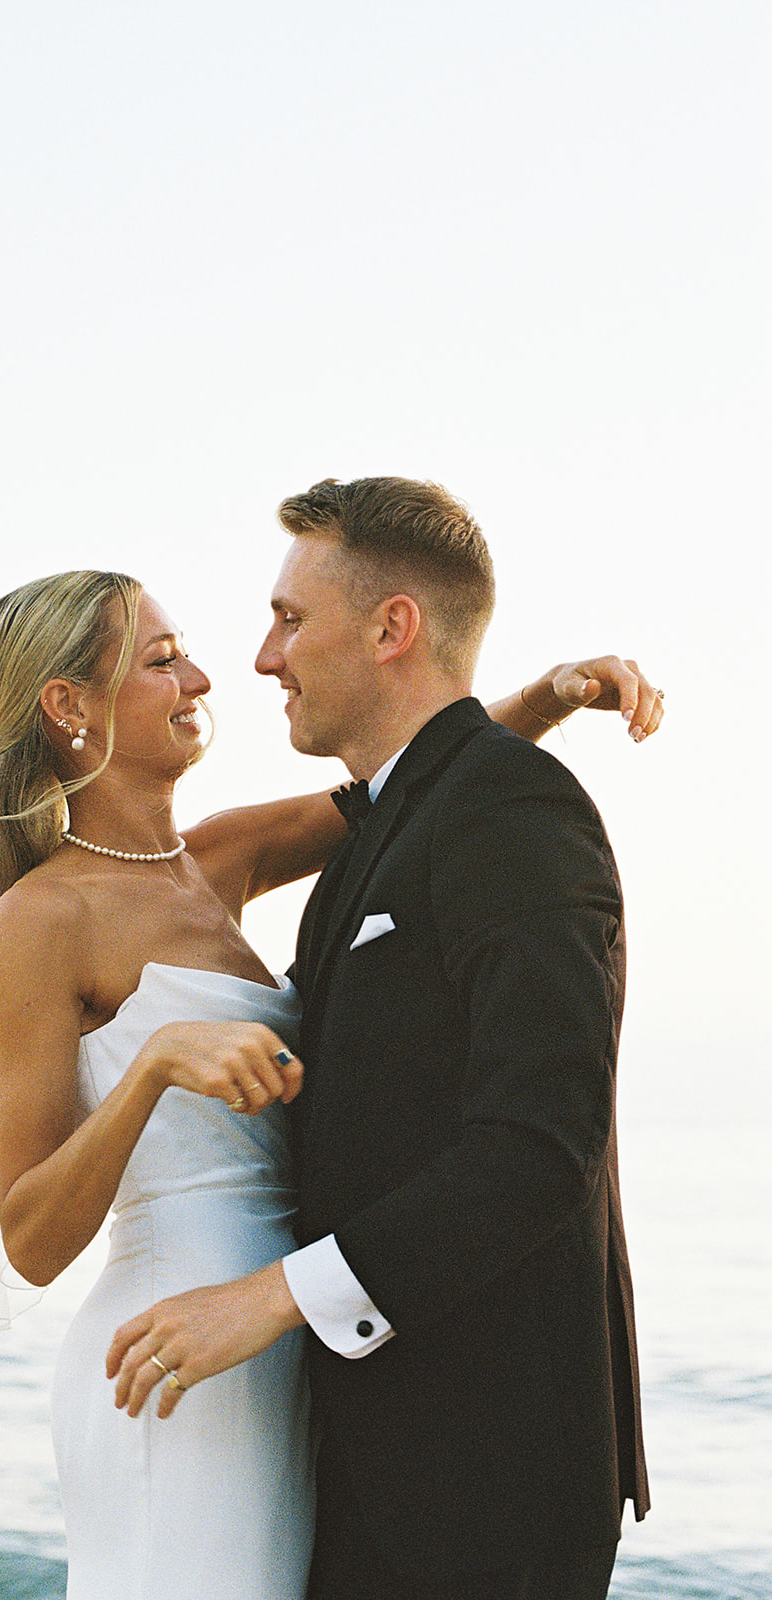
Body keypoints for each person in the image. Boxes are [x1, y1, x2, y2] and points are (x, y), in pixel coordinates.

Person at [0, 560, 662, 1600]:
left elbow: (413, 787)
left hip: (288, 1338)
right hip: (178, 1352)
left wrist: (546, 696)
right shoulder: (42, 919)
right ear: (68, 705)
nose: (204, 677)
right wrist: (154, 1067)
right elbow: (27, 1237)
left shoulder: (219, 858)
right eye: (162, 661)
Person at [107, 480, 653, 1600]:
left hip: (485, 1478)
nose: (262, 658)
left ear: (390, 627)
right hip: (359, 1461)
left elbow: (536, 1148)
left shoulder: (511, 810)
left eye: (290, 620)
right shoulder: (376, 830)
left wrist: (262, 1299)